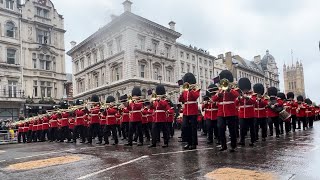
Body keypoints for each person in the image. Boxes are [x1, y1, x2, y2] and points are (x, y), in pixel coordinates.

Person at [212, 70, 239, 152]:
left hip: (230, 111)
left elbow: (236, 95)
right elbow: (213, 99)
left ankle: (233, 146)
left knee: (232, 129)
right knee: (220, 128)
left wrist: (229, 90)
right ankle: (223, 145)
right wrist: (218, 94)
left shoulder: (233, 88)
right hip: (221, 112)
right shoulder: (220, 89)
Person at [179, 73, 200, 150]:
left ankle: (193, 143)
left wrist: (190, 90)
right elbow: (181, 100)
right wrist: (181, 94)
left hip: (193, 110)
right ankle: (188, 142)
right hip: (186, 111)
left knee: (193, 128)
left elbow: (195, 96)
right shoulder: (184, 90)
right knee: (185, 127)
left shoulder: (196, 89)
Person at [235, 78, 255, 147]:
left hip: (250, 114)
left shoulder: (252, 94)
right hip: (242, 114)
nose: (244, 90)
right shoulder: (240, 95)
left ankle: (252, 140)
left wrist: (248, 98)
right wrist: (238, 99)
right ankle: (242, 140)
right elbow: (235, 103)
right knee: (242, 128)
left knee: (252, 128)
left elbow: (254, 102)